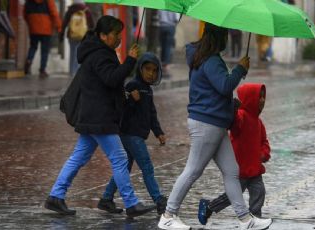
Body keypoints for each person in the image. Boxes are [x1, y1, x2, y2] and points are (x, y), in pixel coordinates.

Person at [157, 22, 272, 230]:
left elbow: (216, 91)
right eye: (225, 36)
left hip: (215, 123)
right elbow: (225, 85)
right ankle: (168, 214)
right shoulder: (210, 60)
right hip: (206, 123)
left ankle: (245, 219)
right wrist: (239, 69)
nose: (227, 40)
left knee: (231, 171)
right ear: (219, 38)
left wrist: (231, 99)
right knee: (192, 171)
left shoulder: (204, 58)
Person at [44, 16, 155, 217]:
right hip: (99, 117)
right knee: (120, 158)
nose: (119, 39)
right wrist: (130, 59)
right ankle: (131, 203)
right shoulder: (100, 55)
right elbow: (112, 79)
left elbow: (105, 84)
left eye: (120, 35)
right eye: (115, 35)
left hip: (93, 115)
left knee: (78, 156)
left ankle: (55, 196)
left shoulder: (100, 52)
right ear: (103, 35)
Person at [99, 52, 168, 215]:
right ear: (140, 69)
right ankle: (158, 200)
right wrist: (131, 100)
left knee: (124, 168)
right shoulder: (132, 85)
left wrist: (158, 132)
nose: (151, 74)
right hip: (130, 134)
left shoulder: (148, 90)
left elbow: (151, 114)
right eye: (147, 70)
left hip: (137, 135)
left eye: (154, 71)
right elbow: (122, 110)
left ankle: (106, 198)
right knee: (147, 167)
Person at [198, 83, 272, 226]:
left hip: (255, 169)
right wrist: (233, 109)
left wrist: (264, 153)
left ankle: (254, 217)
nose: (262, 100)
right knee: (231, 196)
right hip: (240, 168)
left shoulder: (259, 122)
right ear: (250, 99)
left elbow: (264, 141)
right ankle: (209, 207)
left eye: (264, 97)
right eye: (259, 97)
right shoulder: (242, 115)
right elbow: (235, 125)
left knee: (259, 192)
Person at [24, 0, 62, 78]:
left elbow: (25, 13)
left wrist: (30, 23)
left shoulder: (28, 1)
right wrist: (59, 27)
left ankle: (29, 60)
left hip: (33, 27)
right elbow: (54, 13)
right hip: (46, 28)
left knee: (33, 46)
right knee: (44, 50)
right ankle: (42, 70)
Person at [60, 0, 94, 77]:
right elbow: (92, 24)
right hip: (83, 35)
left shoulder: (70, 10)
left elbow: (64, 23)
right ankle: (77, 72)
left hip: (72, 34)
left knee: (72, 53)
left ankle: (71, 72)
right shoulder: (86, 10)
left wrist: (61, 35)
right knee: (80, 53)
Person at [158, 10, 179, 76]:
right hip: (170, 26)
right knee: (168, 46)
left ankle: (162, 63)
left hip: (162, 26)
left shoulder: (161, 5)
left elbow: (159, 15)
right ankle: (165, 66)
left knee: (163, 46)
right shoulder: (173, 5)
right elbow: (176, 18)